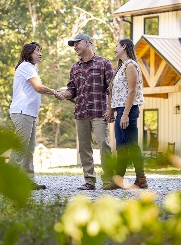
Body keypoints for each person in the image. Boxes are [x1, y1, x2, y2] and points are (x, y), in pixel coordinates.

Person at [56, 33, 115, 190]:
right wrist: (64, 94)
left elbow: (113, 89)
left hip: (100, 112)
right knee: (84, 148)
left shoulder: (104, 63)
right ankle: (89, 181)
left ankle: (109, 179)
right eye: (73, 44)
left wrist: (111, 110)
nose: (75, 46)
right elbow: (72, 90)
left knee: (103, 143)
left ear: (87, 43)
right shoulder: (75, 68)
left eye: (77, 43)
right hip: (81, 113)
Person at [9, 41, 58, 190]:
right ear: (29, 53)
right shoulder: (26, 67)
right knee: (20, 148)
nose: (40, 53)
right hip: (22, 112)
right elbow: (38, 87)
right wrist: (55, 92)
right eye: (37, 51)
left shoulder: (31, 68)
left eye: (40, 50)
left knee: (29, 149)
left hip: (29, 114)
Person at [103, 39, 147, 190]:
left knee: (132, 145)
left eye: (116, 46)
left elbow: (132, 91)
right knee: (121, 147)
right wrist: (112, 110)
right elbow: (116, 92)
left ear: (124, 47)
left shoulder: (130, 65)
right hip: (121, 109)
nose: (114, 49)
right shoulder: (121, 67)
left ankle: (141, 179)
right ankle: (119, 180)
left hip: (129, 110)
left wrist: (126, 114)